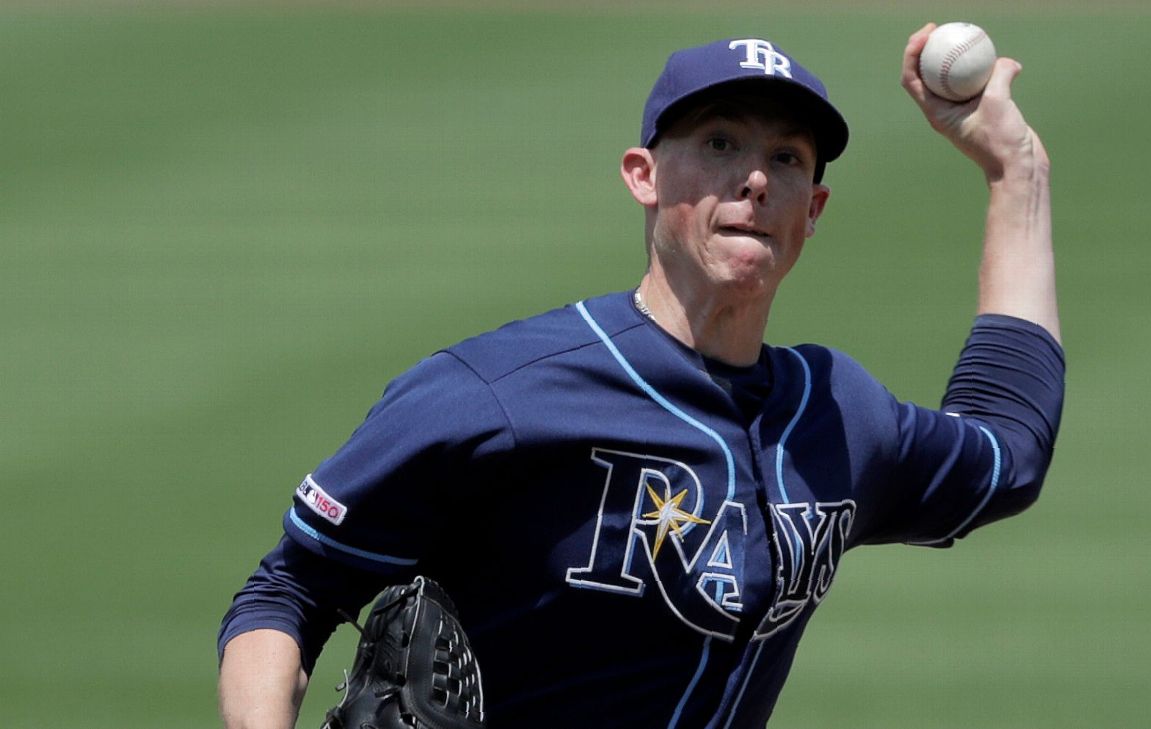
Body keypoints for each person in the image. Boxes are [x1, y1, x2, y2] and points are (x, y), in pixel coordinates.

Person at [218, 25, 1063, 729]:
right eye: (721, 143)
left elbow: (1009, 452)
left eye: (788, 158)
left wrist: (1015, 170)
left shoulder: (837, 414)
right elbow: (288, 589)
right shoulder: (501, 392)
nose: (757, 178)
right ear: (644, 176)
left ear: (814, 210)